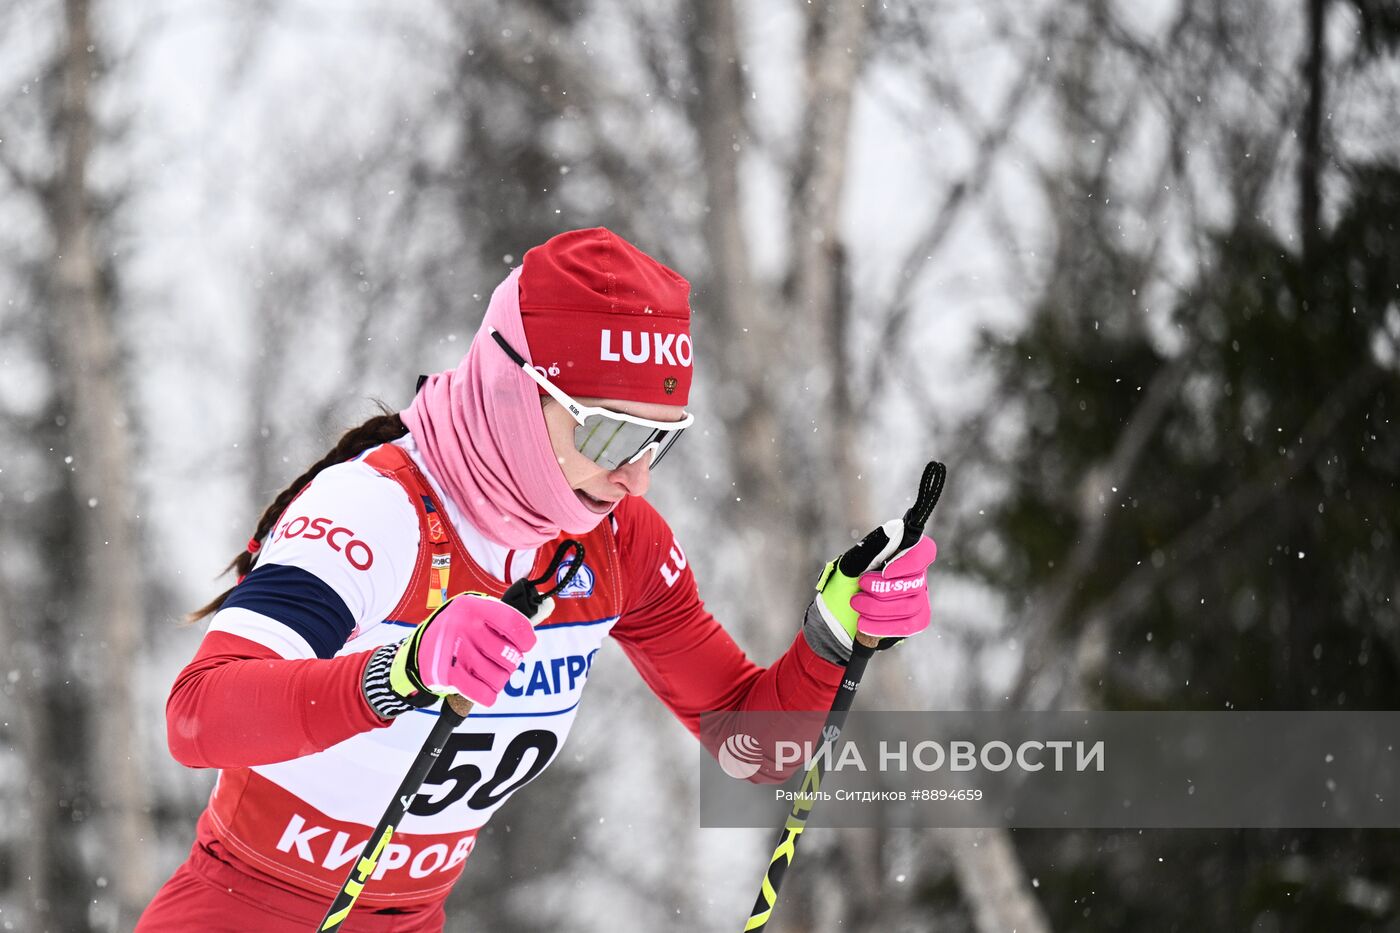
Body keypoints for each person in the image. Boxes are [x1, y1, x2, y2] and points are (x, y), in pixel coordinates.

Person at [137, 227, 938, 931]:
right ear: (516, 392)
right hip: (245, 907)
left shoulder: (613, 540)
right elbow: (198, 714)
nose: (636, 479)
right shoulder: (378, 509)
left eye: (658, 441)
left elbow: (753, 745)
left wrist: (834, 635)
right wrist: (400, 673)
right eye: (614, 432)